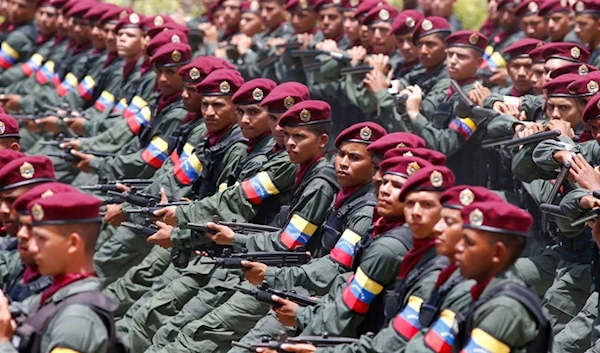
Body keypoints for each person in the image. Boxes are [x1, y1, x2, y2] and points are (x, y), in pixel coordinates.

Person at [0, 187, 120, 353]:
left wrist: (3, 343)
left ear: (73, 244)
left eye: (41, 238)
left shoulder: (77, 321)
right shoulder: (57, 296)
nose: (33, 248)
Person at [453, 200, 549, 352]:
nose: (458, 247)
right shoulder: (482, 289)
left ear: (497, 252)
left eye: (469, 243)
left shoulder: (504, 308)